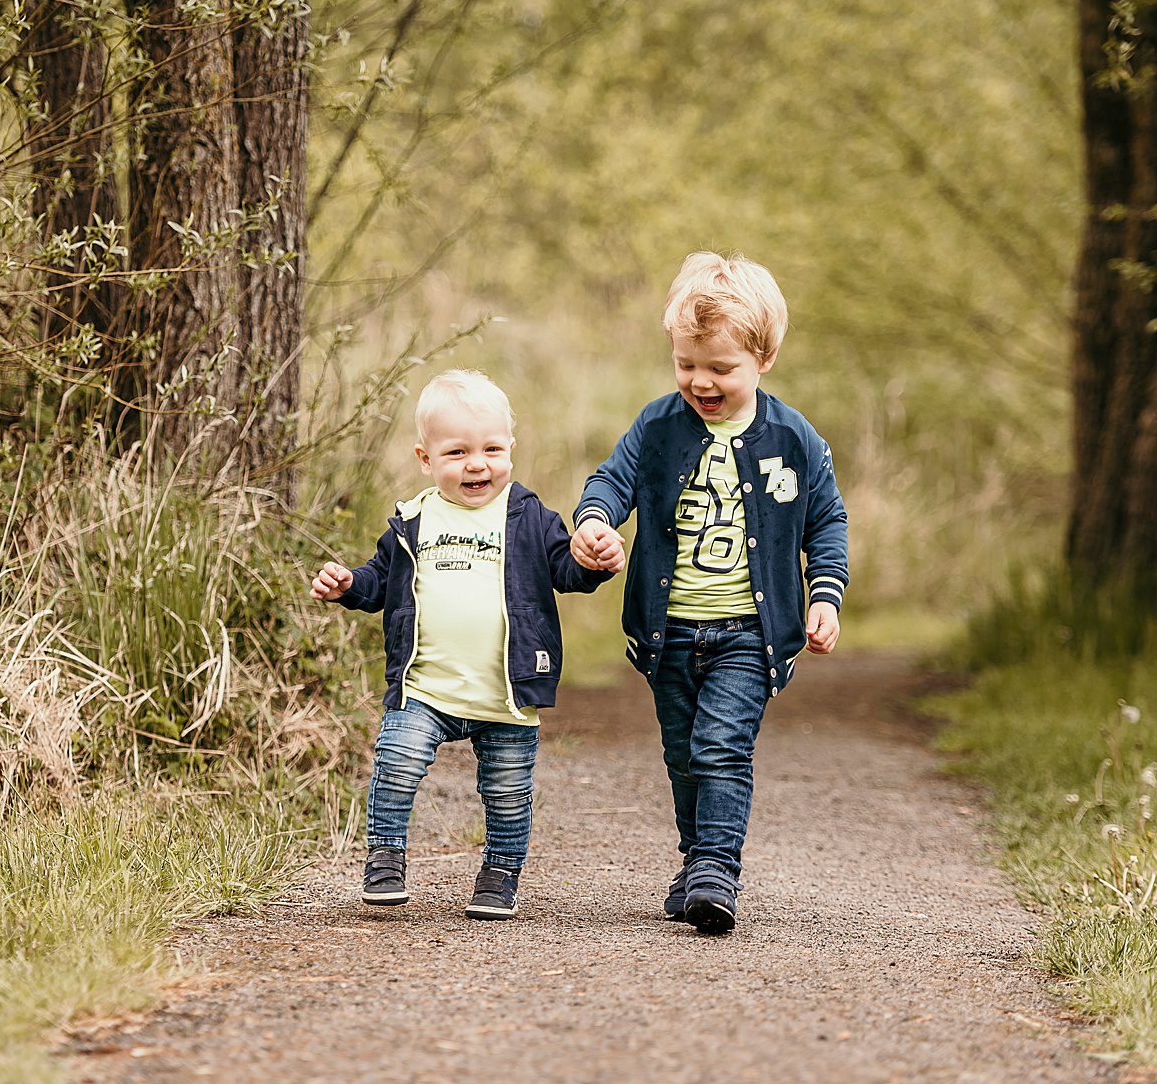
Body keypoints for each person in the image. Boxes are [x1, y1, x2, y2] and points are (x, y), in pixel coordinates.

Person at [569, 252, 849, 935]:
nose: (701, 381)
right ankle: (697, 860)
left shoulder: (793, 439)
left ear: (764, 359)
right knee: (682, 753)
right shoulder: (658, 426)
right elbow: (612, 480)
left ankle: (716, 871)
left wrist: (825, 595)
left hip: (750, 633)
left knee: (720, 745)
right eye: (687, 364)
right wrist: (595, 522)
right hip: (669, 632)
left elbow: (827, 520)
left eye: (722, 368)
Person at [311, 370, 613, 919]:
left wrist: (591, 562)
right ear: (425, 459)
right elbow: (381, 580)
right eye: (457, 452)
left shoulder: (528, 517)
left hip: (506, 691)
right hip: (424, 687)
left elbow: (566, 569)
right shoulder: (413, 519)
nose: (477, 464)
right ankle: (385, 857)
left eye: (492, 449)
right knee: (396, 763)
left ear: (511, 451)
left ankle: (500, 873)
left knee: (506, 791)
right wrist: (350, 585)